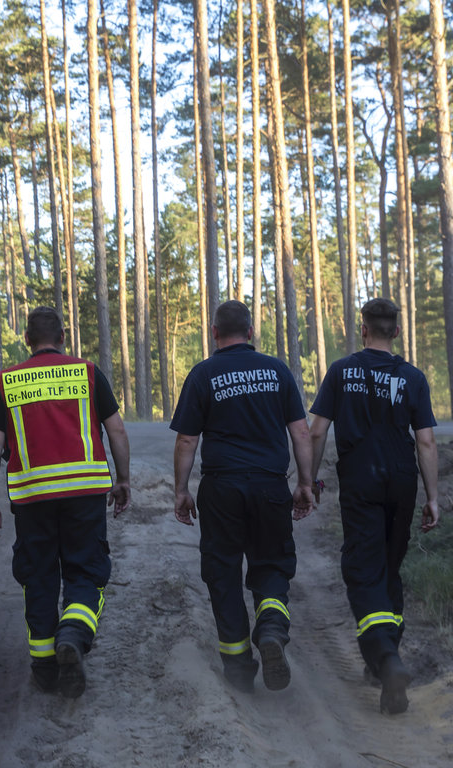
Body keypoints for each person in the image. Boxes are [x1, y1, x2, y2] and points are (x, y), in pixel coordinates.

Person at [0, 306, 131, 699]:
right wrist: (124, 479)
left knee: (39, 575)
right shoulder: (87, 373)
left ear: (27, 341)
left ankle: (45, 667)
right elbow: (115, 429)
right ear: (63, 338)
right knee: (85, 571)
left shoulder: (8, 382)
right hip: (85, 492)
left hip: (33, 497)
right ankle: (73, 635)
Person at [170, 300, 315, 693]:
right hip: (270, 485)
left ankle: (237, 667)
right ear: (251, 332)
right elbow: (301, 432)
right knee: (270, 565)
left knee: (223, 573)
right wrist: (304, 482)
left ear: (215, 333)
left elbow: (187, 439)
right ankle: (270, 628)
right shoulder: (277, 371)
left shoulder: (202, 374)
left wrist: (182, 491)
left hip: (222, 488)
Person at [308, 297, 439, 714]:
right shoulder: (413, 377)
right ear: (396, 331)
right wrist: (433, 496)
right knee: (388, 566)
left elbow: (317, 432)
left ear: (362, 329)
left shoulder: (341, 371)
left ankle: (385, 658)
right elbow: (426, 441)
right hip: (401, 479)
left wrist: (308, 480)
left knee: (364, 569)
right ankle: (385, 662)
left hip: (361, 478)